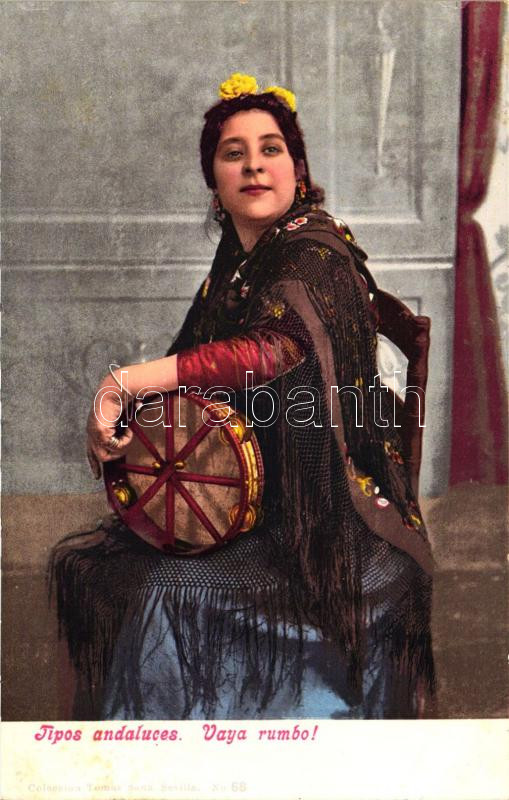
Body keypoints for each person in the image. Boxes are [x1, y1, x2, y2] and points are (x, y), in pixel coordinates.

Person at [53, 73, 435, 720]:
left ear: (297, 170)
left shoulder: (314, 255)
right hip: (261, 485)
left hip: (326, 512)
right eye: (234, 153)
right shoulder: (239, 257)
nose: (254, 165)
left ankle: (199, 739)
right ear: (214, 182)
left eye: (270, 149)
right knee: (106, 567)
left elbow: (268, 352)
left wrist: (123, 383)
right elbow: (194, 357)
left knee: (161, 588)